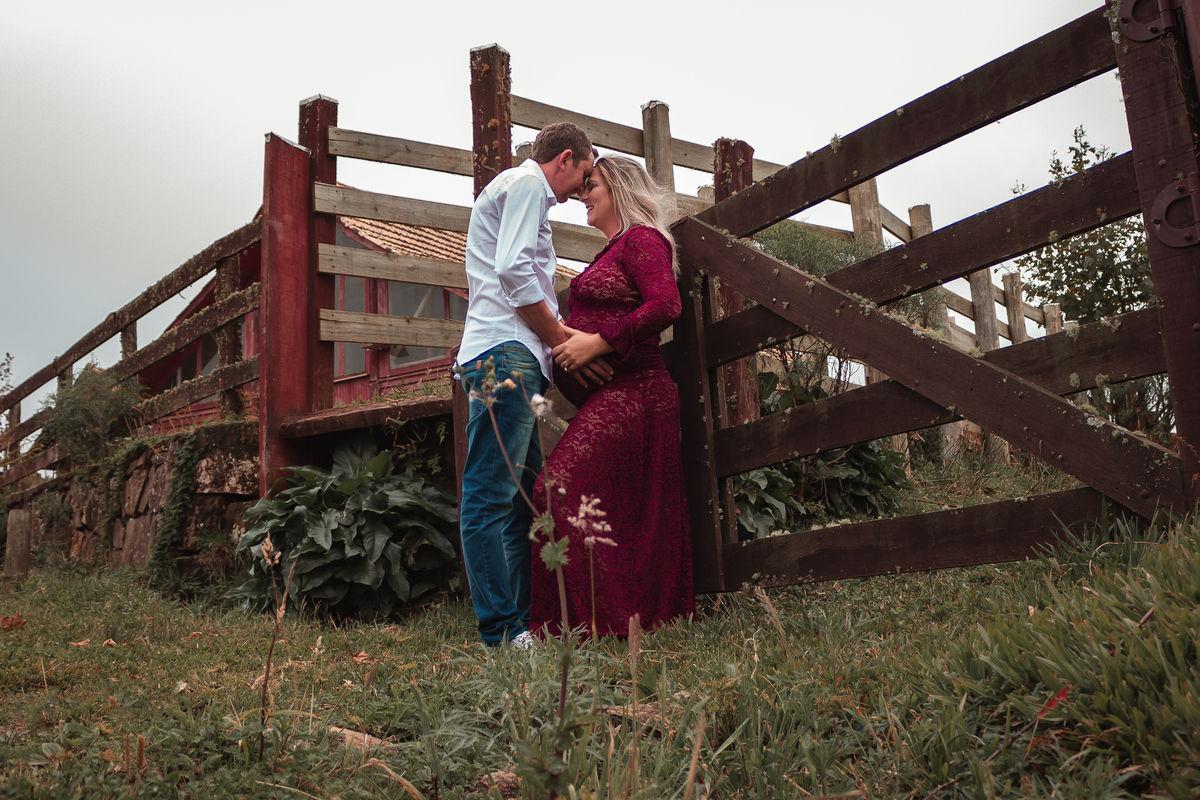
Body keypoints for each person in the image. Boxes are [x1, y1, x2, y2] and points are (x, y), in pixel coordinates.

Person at [455, 123, 611, 648]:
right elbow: (515, 272)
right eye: (584, 174)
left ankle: (519, 625)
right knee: (490, 496)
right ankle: (501, 632)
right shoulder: (524, 186)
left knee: (522, 498)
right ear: (565, 159)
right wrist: (562, 337)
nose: (579, 190)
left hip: (512, 356)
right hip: (506, 354)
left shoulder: (513, 192)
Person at [530, 155, 694, 638]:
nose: (583, 195)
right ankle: (602, 618)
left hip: (638, 391)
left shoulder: (641, 241)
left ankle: (595, 622)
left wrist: (599, 343)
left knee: (553, 489)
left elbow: (667, 304)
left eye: (591, 186)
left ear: (619, 189)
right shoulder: (611, 251)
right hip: (613, 394)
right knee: (609, 504)